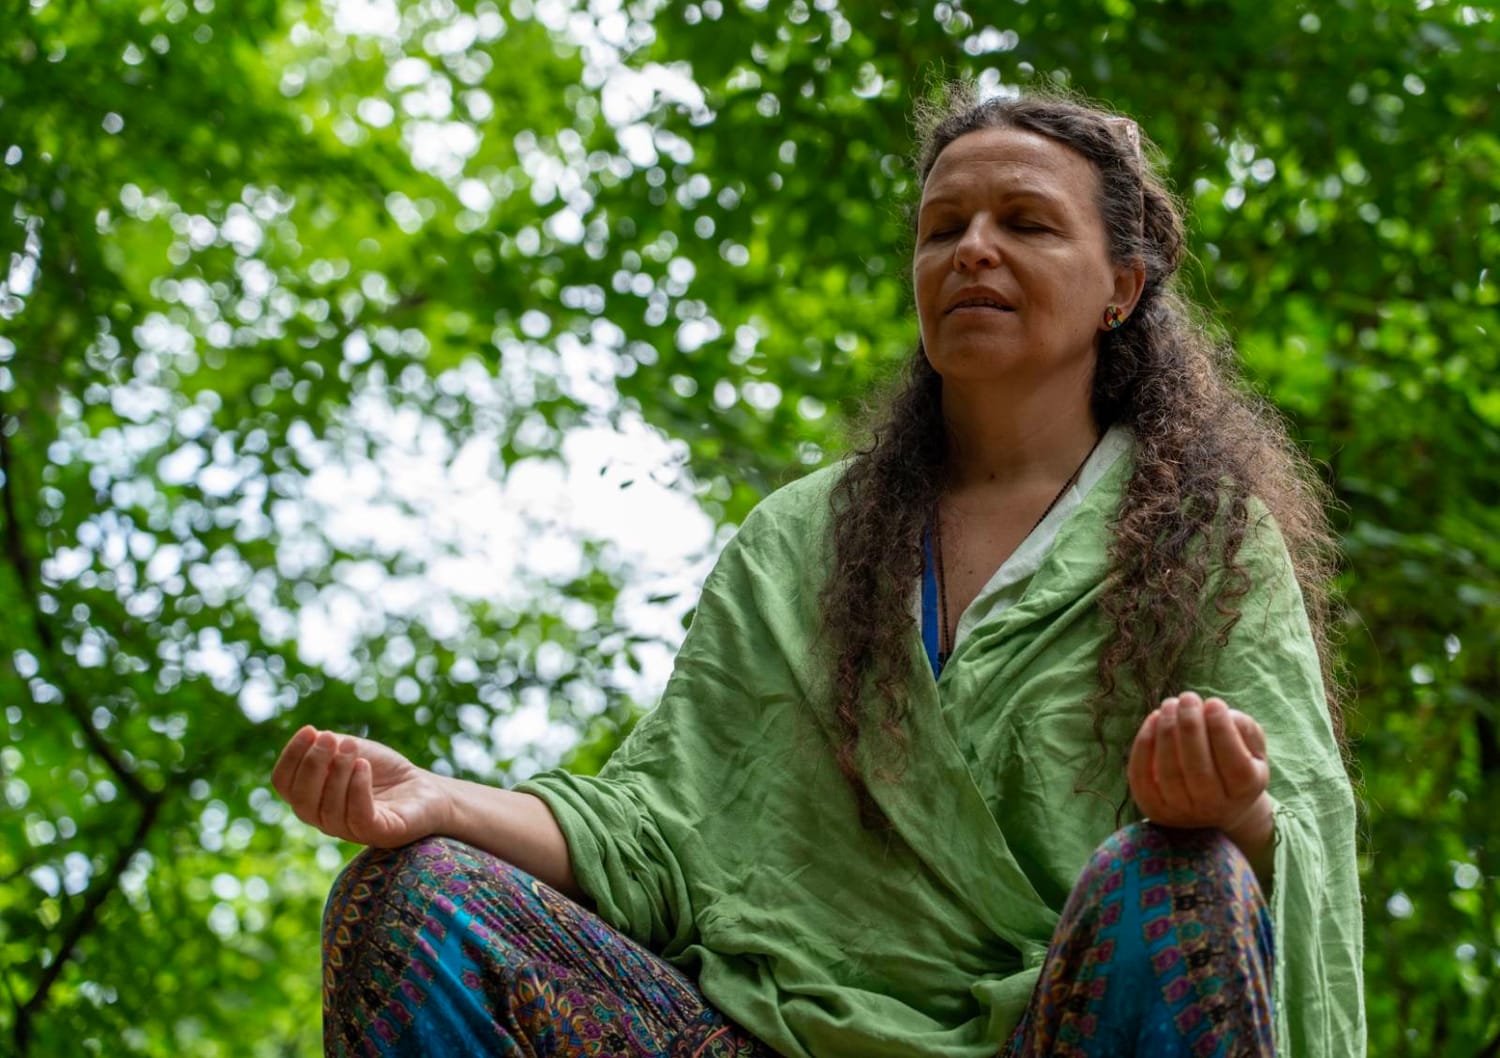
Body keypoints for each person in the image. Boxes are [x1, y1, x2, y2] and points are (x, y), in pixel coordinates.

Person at [273, 87, 1364, 1058]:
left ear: (1121, 286)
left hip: (1058, 1026)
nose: (973, 250)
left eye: (1025, 223)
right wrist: (439, 800)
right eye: (943, 229)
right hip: (759, 1031)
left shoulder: (1206, 539)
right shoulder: (800, 537)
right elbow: (656, 832)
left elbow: (1301, 835)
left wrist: (1237, 811)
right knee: (415, 897)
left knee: (1178, 881)